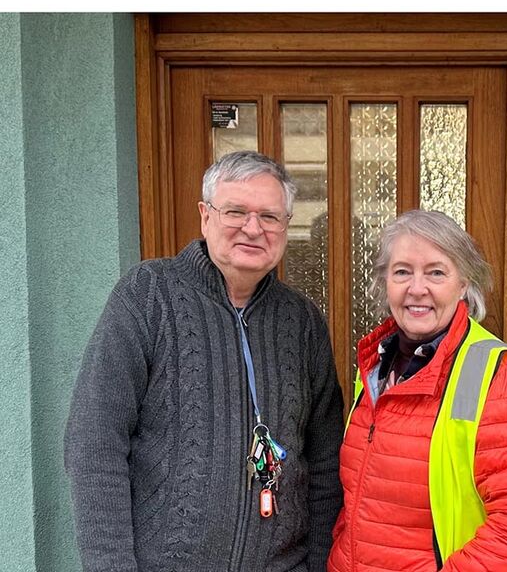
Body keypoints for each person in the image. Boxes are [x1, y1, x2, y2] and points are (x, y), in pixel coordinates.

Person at [64, 151, 344, 571]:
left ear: (286, 226)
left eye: (270, 216)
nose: (253, 228)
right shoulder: (147, 295)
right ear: (205, 216)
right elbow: (95, 443)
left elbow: (325, 461)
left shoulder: (302, 321)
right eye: (236, 211)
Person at [329, 209, 507, 572]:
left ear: (464, 283)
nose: (416, 288)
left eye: (436, 272)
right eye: (402, 271)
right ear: (384, 282)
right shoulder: (374, 369)